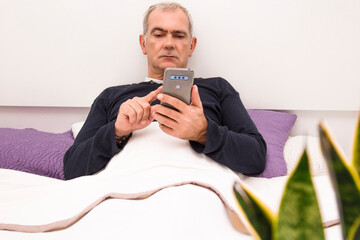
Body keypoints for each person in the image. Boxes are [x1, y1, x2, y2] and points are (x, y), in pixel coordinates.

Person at [63, 2, 266, 180]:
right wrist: (117, 132)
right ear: (143, 44)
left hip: (197, 190)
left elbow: (255, 157)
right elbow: (73, 168)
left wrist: (204, 132)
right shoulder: (111, 96)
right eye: (159, 34)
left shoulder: (218, 88)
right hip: (126, 190)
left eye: (179, 35)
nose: (169, 44)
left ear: (191, 46)